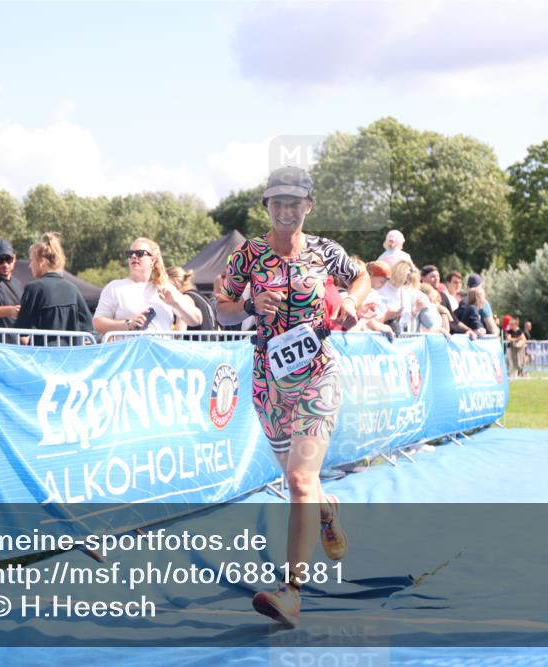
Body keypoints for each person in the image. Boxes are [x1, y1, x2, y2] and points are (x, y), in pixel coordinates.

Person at [215, 166, 371, 626]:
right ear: (267, 207)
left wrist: (350, 301)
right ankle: (329, 508)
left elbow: (360, 277)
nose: (285, 211)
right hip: (267, 379)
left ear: (308, 206)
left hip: (316, 373)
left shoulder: (325, 251)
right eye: (276, 203)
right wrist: (247, 305)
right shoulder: (249, 254)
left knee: (299, 481)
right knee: (302, 482)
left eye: (293, 202)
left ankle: (292, 591)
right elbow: (220, 308)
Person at [93, 238, 201, 335]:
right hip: (128, 355)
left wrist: (175, 303)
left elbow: (196, 320)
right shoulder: (114, 287)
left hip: (160, 355)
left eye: (140, 253)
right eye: (130, 253)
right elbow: (97, 323)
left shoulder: (165, 287)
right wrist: (128, 324)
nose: (133, 256)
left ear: (153, 260)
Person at [14, 233, 94, 346]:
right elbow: (88, 324)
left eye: (31, 260)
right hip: (69, 356)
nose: (29, 265)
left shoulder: (34, 289)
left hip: (43, 356)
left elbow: (21, 328)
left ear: (41, 261)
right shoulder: (72, 288)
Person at [166, 266, 217, 331]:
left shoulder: (185, 299)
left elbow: (179, 333)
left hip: (195, 340)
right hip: (210, 340)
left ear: (176, 282)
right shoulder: (202, 297)